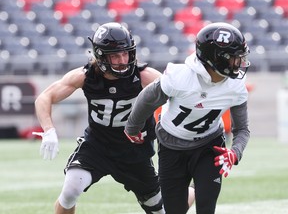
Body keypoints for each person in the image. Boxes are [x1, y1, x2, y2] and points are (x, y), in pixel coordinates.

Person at [33, 22, 168, 214]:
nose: (122, 60)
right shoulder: (86, 76)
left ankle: (194, 190)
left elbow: (176, 97)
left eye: (125, 53)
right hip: (97, 146)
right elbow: (44, 97)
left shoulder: (144, 76)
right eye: (115, 55)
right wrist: (49, 130)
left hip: (134, 151)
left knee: (158, 209)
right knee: (71, 189)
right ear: (101, 56)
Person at [124, 22, 251, 214]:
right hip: (171, 146)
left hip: (210, 145)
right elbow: (147, 99)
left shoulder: (236, 85)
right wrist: (132, 128)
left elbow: (242, 129)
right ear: (217, 59)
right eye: (234, 58)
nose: (239, 63)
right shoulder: (181, 77)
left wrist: (235, 152)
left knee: (206, 207)